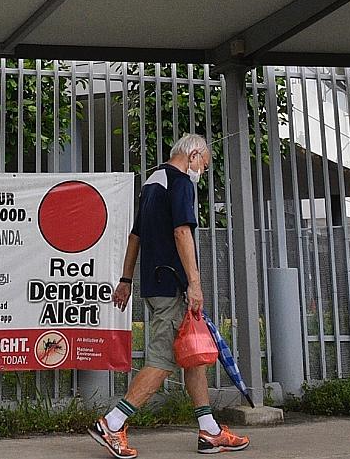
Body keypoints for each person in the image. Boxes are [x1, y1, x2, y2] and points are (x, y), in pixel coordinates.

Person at [88, 132, 250, 456]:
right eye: (201, 165)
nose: (200, 173)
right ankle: (113, 422)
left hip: (152, 284)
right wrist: (195, 283)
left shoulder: (152, 182)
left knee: (193, 354)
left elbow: (136, 236)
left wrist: (126, 279)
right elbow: (181, 231)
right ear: (192, 155)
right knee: (162, 361)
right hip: (173, 287)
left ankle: (209, 431)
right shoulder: (179, 182)